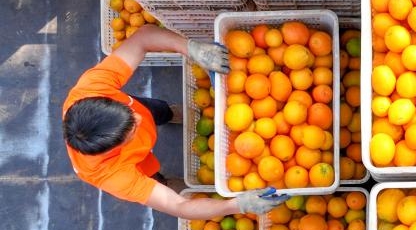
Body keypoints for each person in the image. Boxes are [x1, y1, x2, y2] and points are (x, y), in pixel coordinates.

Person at [62, 24, 282, 219]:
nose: (137, 118)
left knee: (153, 110)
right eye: (131, 130)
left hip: (132, 113)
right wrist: (237, 205)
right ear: (118, 146)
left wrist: (190, 48)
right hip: (133, 161)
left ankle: (169, 114)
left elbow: (143, 38)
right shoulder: (111, 175)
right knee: (154, 179)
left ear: (106, 101)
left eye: (128, 114)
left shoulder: (91, 90)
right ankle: (163, 181)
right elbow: (179, 206)